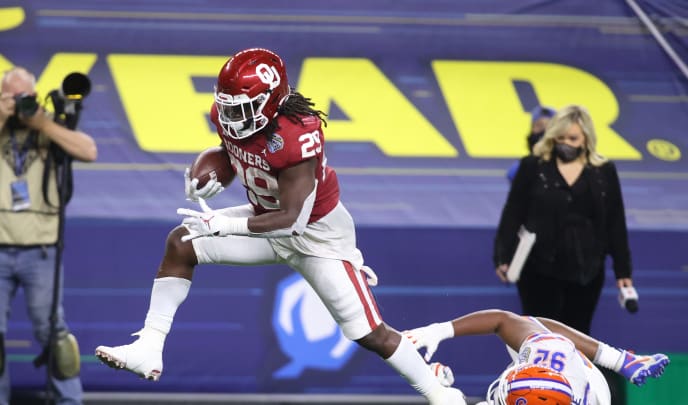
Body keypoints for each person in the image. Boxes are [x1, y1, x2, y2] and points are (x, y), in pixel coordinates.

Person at [94, 48, 465, 404]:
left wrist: (223, 222)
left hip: (316, 234)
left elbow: (293, 218)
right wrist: (210, 175)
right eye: (227, 107)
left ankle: (439, 394)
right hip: (265, 219)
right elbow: (232, 151)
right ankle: (149, 346)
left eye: (242, 108)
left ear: (270, 101)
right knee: (182, 242)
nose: (231, 116)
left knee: (369, 333)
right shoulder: (231, 118)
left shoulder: (297, 134)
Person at [0, 67, 97, 404]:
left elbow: (89, 151)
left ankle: (69, 401)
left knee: (54, 335)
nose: (19, 104)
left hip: (41, 251)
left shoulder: (47, 128)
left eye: (25, 97)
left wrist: (43, 124)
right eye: (11, 97)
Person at [494, 104, 633, 336]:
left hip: (586, 272)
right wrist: (502, 255)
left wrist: (623, 271)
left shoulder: (603, 172)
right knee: (538, 337)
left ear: (586, 138)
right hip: (538, 269)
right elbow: (513, 212)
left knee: (577, 339)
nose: (566, 144)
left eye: (573, 138)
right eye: (560, 137)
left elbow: (615, 223)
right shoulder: (532, 166)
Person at [403, 309, 670, 405]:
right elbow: (506, 321)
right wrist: (441, 330)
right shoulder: (550, 353)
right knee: (534, 327)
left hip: (591, 393)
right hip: (575, 371)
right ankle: (622, 360)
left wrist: (437, 386)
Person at [506, 105, 556, 182]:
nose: (544, 131)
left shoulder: (569, 169)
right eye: (539, 125)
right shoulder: (519, 169)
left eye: (549, 126)